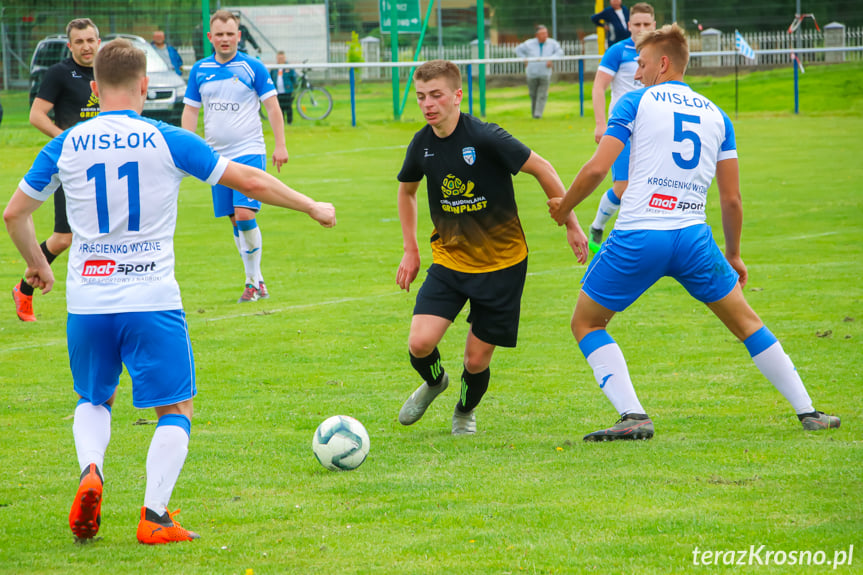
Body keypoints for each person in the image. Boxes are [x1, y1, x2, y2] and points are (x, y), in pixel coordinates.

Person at [3, 38, 335, 544]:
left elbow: (15, 214)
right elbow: (248, 178)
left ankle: (91, 469)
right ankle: (154, 516)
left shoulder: (65, 143)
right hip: (151, 296)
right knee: (175, 408)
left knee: (94, 398)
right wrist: (311, 204)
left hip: (89, 299)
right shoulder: (165, 138)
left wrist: (37, 267)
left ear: (94, 88)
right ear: (143, 86)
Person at [548, 24, 840, 441]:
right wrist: (734, 254)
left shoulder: (634, 101)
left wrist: (565, 207)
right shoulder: (717, 115)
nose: (640, 74)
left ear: (664, 63)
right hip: (693, 237)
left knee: (587, 323)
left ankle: (633, 416)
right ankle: (808, 410)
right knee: (747, 323)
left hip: (640, 234)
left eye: (644, 65)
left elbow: (598, 167)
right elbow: (732, 199)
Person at [396, 60, 589, 435]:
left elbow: (544, 169)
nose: (428, 104)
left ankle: (465, 412)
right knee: (420, 343)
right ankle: (435, 382)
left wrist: (572, 223)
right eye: (421, 97)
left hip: (502, 264)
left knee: (476, 358)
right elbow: (407, 191)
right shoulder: (422, 143)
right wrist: (411, 249)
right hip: (450, 261)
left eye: (436, 95)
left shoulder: (486, 137)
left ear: (457, 95)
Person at [182, 10, 290, 303]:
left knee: (244, 214)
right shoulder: (200, 70)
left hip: (249, 152)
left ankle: (252, 283)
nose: (225, 39)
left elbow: (272, 108)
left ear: (238, 36)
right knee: (234, 220)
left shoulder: (252, 67)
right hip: (216, 157)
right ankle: (257, 279)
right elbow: (191, 110)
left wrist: (280, 145)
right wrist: (187, 149)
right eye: (219, 34)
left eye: (230, 34)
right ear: (210, 38)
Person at [12, 18, 101, 322]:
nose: (87, 47)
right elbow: (37, 115)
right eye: (80, 42)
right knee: (63, 238)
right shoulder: (59, 74)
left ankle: (102, 293)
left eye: (91, 40)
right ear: (70, 45)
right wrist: (67, 140)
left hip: (105, 165)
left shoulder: (107, 72)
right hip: (73, 166)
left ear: (99, 41)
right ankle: (24, 288)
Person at [587, 3, 656, 251]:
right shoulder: (618, 51)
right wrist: (599, 124)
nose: (641, 29)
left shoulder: (660, 54)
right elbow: (598, 87)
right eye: (637, 24)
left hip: (653, 130)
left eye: (646, 24)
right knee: (623, 186)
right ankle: (597, 227)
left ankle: (639, 238)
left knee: (650, 184)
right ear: (628, 25)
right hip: (623, 129)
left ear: (654, 25)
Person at [514, 25, 564, 119]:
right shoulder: (529, 44)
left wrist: (551, 59)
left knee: (542, 94)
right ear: (537, 35)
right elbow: (518, 50)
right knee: (533, 94)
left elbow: (560, 52)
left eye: (546, 33)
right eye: (543, 34)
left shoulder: (552, 43)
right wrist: (524, 59)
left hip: (545, 73)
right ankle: (535, 114)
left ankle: (538, 114)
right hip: (532, 73)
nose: (545, 35)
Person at [270, 51, 297, 126]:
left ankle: (289, 122)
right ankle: (281, 122)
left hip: (287, 91)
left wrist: (291, 86)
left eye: (282, 58)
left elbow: (293, 78)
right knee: (279, 108)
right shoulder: (274, 69)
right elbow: (271, 78)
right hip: (277, 91)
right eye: (279, 58)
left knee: (288, 106)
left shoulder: (288, 68)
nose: (280, 60)